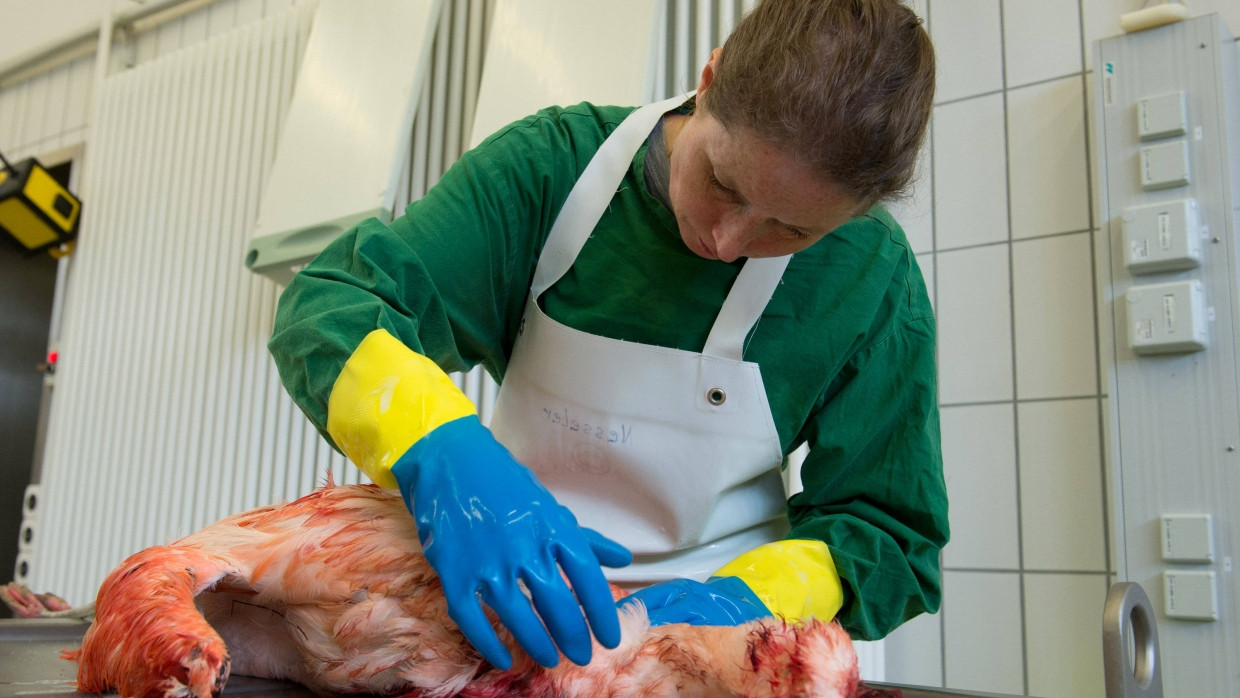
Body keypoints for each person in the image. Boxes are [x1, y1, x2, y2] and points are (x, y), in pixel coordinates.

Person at [269, 0, 948, 673]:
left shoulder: (870, 272)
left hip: (720, 655)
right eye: (721, 181)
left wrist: (753, 600)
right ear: (709, 81)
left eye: (791, 230)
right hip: (513, 609)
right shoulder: (550, 171)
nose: (727, 239)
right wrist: (441, 450)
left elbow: (889, 531)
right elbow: (333, 305)